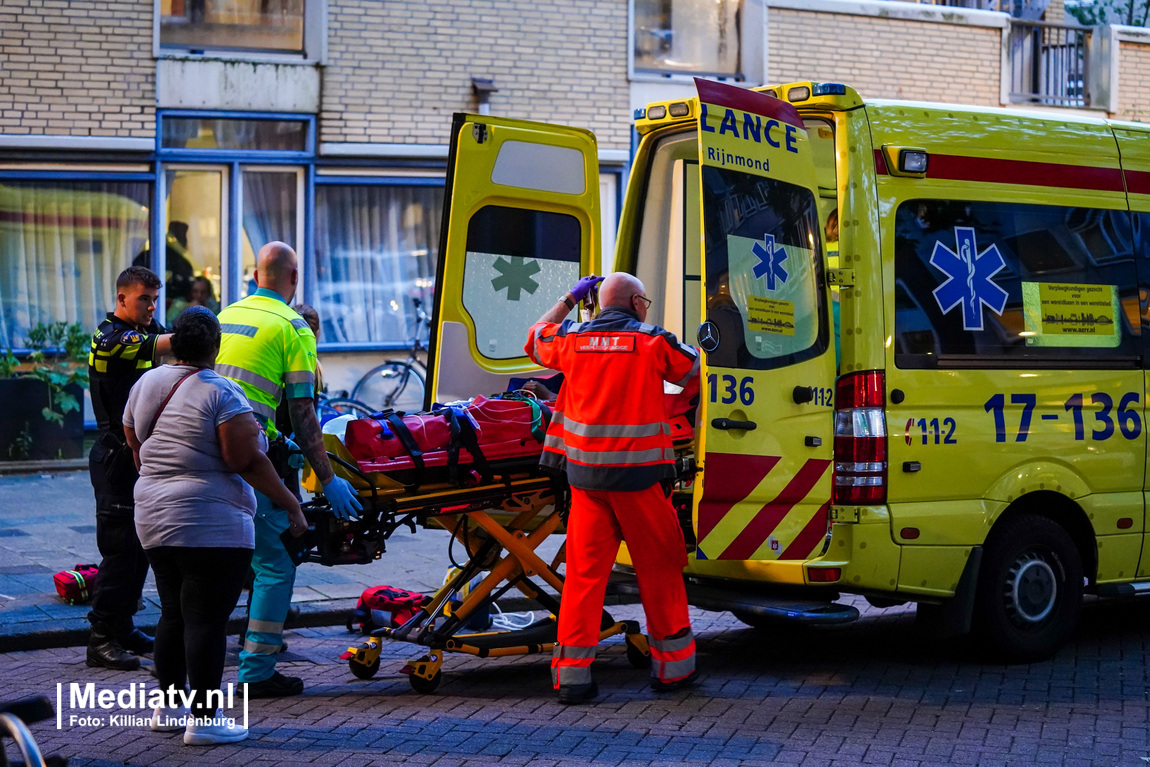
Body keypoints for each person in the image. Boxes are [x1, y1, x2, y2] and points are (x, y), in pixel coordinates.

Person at [123, 307, 308, 746]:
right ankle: (204, 721)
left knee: (173, 612)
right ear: (215, 346)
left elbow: (132, 437)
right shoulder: (221, 392)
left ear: (174, 341)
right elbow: (243, 459)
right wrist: (291, 505)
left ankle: (169, 709)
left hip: (152, 516)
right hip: (210, 522)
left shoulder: (146, 383)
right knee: (206, 620)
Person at [525, 272, 701, 704]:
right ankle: (673, 671)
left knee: (584, 580)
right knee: (659, 571)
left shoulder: (572, 339)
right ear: (637, 302)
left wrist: (570, 298)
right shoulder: (653, 341)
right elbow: (699, 371)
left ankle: (572, 678)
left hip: (586, 482)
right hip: (639, 481)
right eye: (647, 301)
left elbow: (533, 338)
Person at [216, 241, 362, 698]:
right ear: (293, 279)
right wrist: (331, 479)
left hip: (208, 456)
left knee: (219, 563)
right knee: (276, 562)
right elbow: (303, 413)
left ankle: (194, 663)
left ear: (256, 275)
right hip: (253, 462)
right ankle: (257, 668)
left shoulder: (226, 317)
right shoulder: (293, 327)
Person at [86, 266, 173, 670]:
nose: (151, 307)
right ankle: (101, 638)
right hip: (115, 459)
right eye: (144, 299)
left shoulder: (141, 332)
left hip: (136, 457)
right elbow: (167, 345)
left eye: (155, 299)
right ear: (122, 298)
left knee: (139, 549)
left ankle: (123, 628)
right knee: (120, 552)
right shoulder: (110, 338)